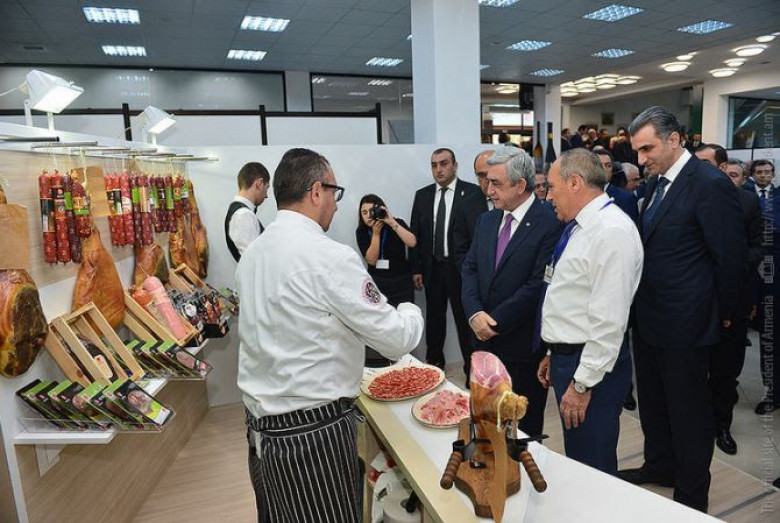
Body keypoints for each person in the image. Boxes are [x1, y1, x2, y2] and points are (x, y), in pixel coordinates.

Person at [237, 148, 424, 523]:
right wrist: (409, 308)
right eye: (335, 193)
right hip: (312, 435)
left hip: (260, 432)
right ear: (316, 191)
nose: (337, 206)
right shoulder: (328, 256)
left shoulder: (254, 254)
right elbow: (396, 338)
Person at [617, 107, 746, 513]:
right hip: (650, 318)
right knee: (654, 406)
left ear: (674, 140)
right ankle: (660, 467)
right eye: (637, 151)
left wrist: (725, 318)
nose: (641, 160)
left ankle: (691, 497)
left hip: (688, 324)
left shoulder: (709, 184)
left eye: (647, 149)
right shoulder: (657, 183)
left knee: (688, 414)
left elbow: (730, 259)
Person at [537, 148, 643, 474]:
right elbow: (573, 298)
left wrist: (582, 385)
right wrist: (554, 351)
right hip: (572, 358)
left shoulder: (611, 232)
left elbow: (609, 322)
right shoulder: (581, 225)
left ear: (574, 183)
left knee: (592, 466)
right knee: (579, 456)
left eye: (551, 187)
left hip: (592, 368)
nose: (548, 196)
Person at [461, 146, 561, 436]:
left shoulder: (550, 222)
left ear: (520, 185)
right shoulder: (487, 220)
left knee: (522, 432)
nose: (488, 189)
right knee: (485, 424)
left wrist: (493, 323)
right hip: (482, 344)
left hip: (521, 349)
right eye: (486, 181)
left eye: (496, 183)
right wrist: (475, 314)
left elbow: (537, 285)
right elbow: (469, 269)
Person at [695, 148, 764, 454]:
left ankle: (721, 425)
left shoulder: (748, 202)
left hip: (734, 300)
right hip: (697, 300)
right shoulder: (690, 198)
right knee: (694, 369)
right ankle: (695, 424)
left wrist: (730, 260)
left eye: (705, 163)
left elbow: (758, 247)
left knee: (725, 371)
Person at [409, 148, 485, 373]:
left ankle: (471, 369)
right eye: (434, 165)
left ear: (455, 166)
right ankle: (434, 364)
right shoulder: (422, 195)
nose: (438, 169)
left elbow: (478, 235)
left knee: (465, 320)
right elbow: (416, 234)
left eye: (443, 164)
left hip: (460, 269)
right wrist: (416, 268)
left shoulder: (472, 193)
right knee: (434, 319)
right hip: (432, 268)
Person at [356, 194, 417, 365]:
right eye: (364, 212)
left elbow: (412, 242)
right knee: (383, 327)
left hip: (402, 283)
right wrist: (375, 234)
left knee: (404, 326)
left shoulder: (396, 223)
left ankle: (406, 364)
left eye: (372, 210)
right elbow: (371, 260)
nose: (369, 215)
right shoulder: (362, 232)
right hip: (378, 286)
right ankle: (385, 365)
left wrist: (391, 222)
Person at [749, 159, 777, 414]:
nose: (764, 176)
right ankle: (771, 389)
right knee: (767, 337)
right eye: (759, 172)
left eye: (768, 172)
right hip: (754, 275)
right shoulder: (745, 196)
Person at [451, 150, 494, 270]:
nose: (487, 179)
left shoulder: (515, 202)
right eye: (481, 175)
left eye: (491, 172)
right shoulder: (466, 206)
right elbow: (460, 252)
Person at [225, 162, 271, 262]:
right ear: (259, 184)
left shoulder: (240, 212)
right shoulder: (243, 215)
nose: (266, 195)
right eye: (267, 188)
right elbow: (253, 261)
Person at [593, 148, 638, 223]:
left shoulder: (627, 198)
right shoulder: (580, 196)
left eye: (608, 165)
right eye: (598, 165)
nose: (604, 169)